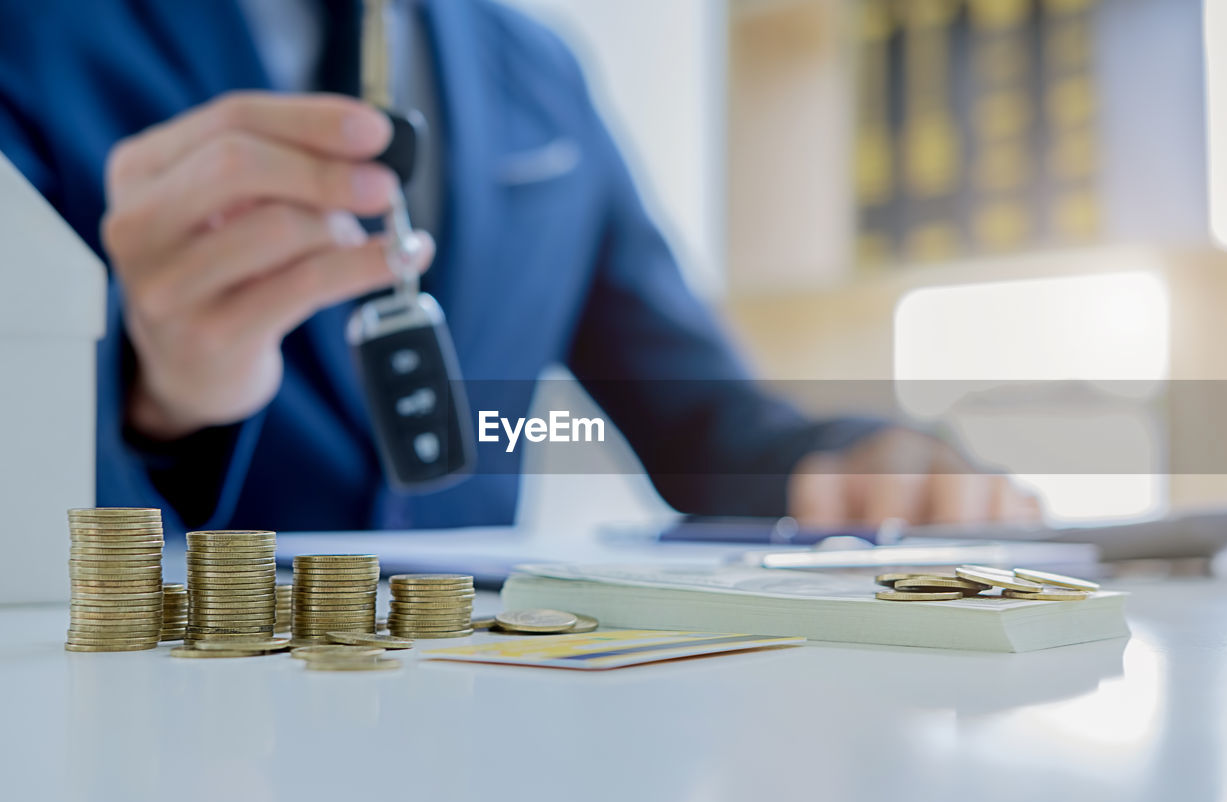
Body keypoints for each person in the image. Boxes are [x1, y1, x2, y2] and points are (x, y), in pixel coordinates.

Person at [0, 0, 1036, 532]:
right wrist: (155, 401)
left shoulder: (540, 70)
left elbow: (697, 418)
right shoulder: (34, 38)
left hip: (486, 726)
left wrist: (845, 459)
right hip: (166, 731)